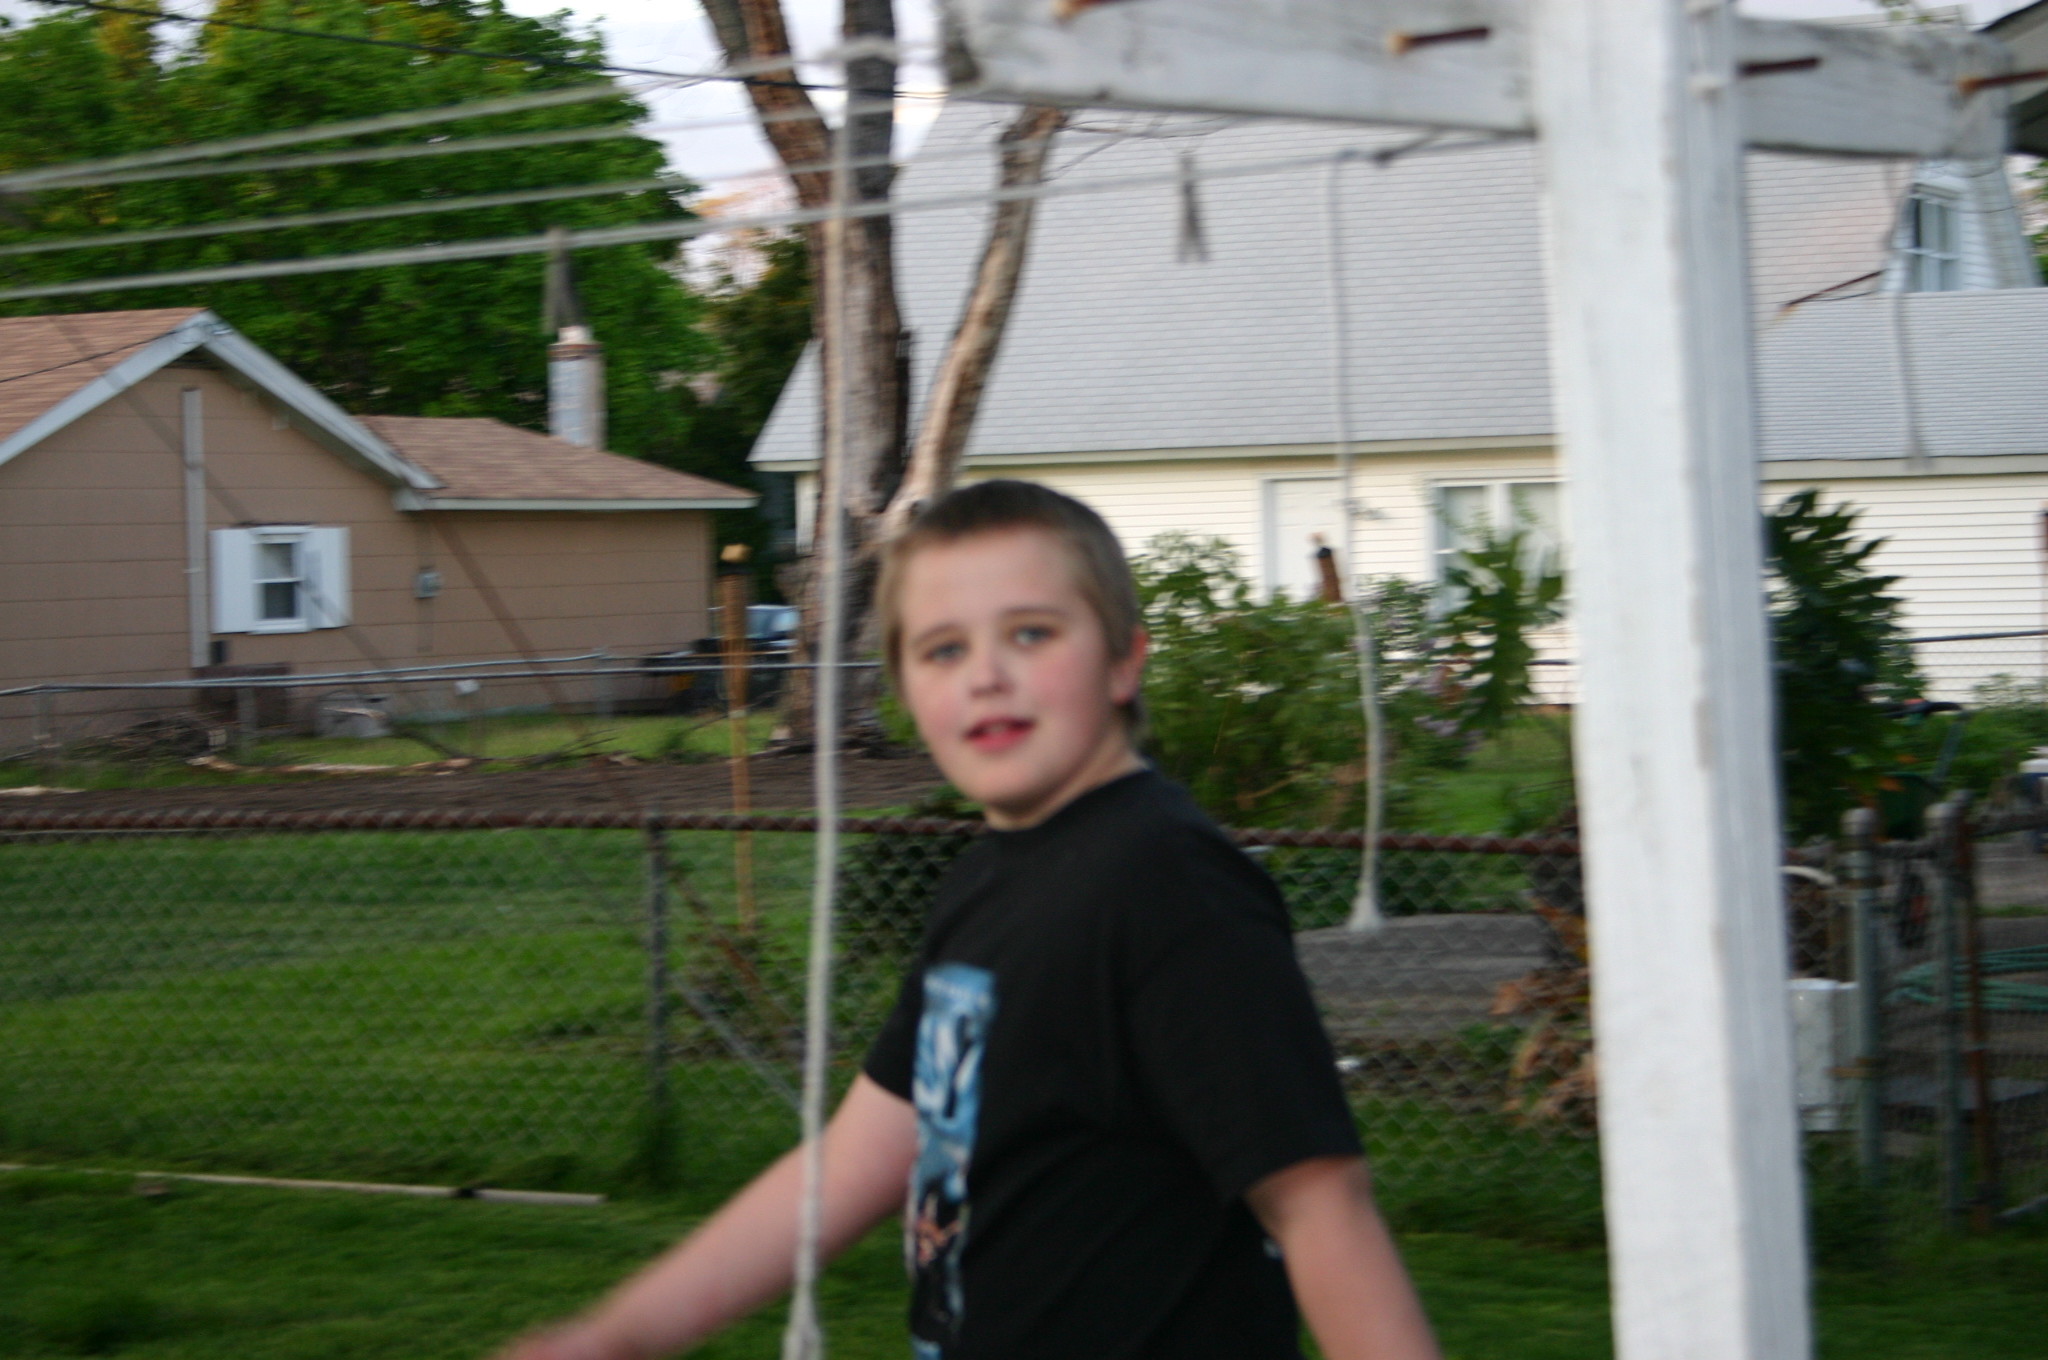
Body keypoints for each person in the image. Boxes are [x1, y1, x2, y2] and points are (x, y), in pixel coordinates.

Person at [498, 480, 1440, 1360]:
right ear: (905, 692)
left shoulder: (1168, 886)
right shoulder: (984, 887)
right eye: (943, 649)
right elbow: (851, 1165)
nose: (986, 674)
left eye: (1030, 633)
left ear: (1124, 659)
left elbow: (1320, 1206)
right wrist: (618, 1334)